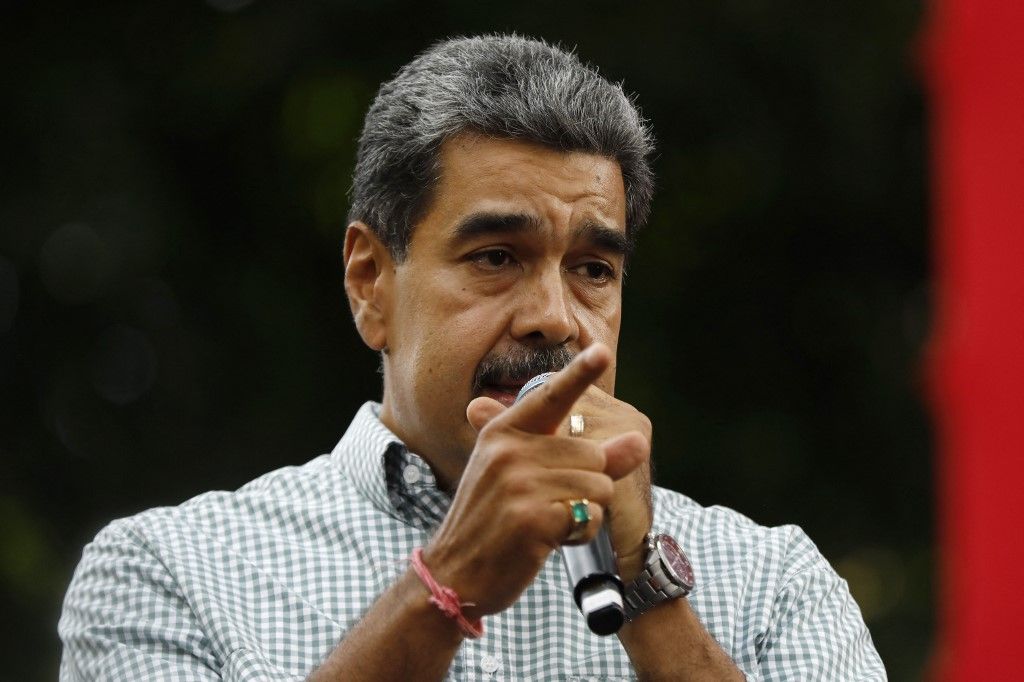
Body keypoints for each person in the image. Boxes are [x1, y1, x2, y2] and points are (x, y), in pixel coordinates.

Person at [59, 34, 885, 681]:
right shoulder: (170, 570)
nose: (555, 319)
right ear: (370, 282)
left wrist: (649, 592)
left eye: (593, 270)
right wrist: (444, 585)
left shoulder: (772, 582)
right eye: (496, 256)